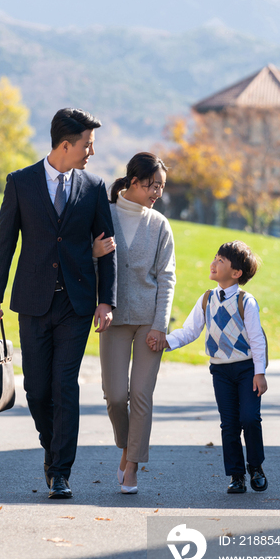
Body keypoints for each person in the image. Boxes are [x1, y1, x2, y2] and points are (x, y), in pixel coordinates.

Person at [0, 108, 117, 499]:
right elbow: (5, 243)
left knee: (65, 385)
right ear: (66, 144)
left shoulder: (94, 187)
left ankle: (61, 471)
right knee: (37, 390)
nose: (91, 151)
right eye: (87, 144)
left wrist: (105, 301)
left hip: (76, 304)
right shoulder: (21, 183)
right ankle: (51, 445)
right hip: (32, 301)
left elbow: (108, 248)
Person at [150, 241, 267, 494]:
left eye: (220, 261)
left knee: (249, 418)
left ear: (236, 273)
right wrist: (166, 341)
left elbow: (257, 340)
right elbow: (190, 331)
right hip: (221, 372)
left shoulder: (246, 302)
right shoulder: (207, 299)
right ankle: (237, 475)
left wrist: (260, 373)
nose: (213, 263)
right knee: (229, 424)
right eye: (215, 258)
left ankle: (255, 466)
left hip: (247, 370)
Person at [95, 153, 176, 494]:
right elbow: (87, 259)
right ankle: (127, 445)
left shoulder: (159, 225)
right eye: (152, 184)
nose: (157, 191)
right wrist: (92, 252)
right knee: (115, 397)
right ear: (132, 181)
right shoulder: (104, 214)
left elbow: (167, 277)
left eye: (161, 186)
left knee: (141, 394)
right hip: (112, 318)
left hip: (148, 322)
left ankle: (132, 466)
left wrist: (161, 325)